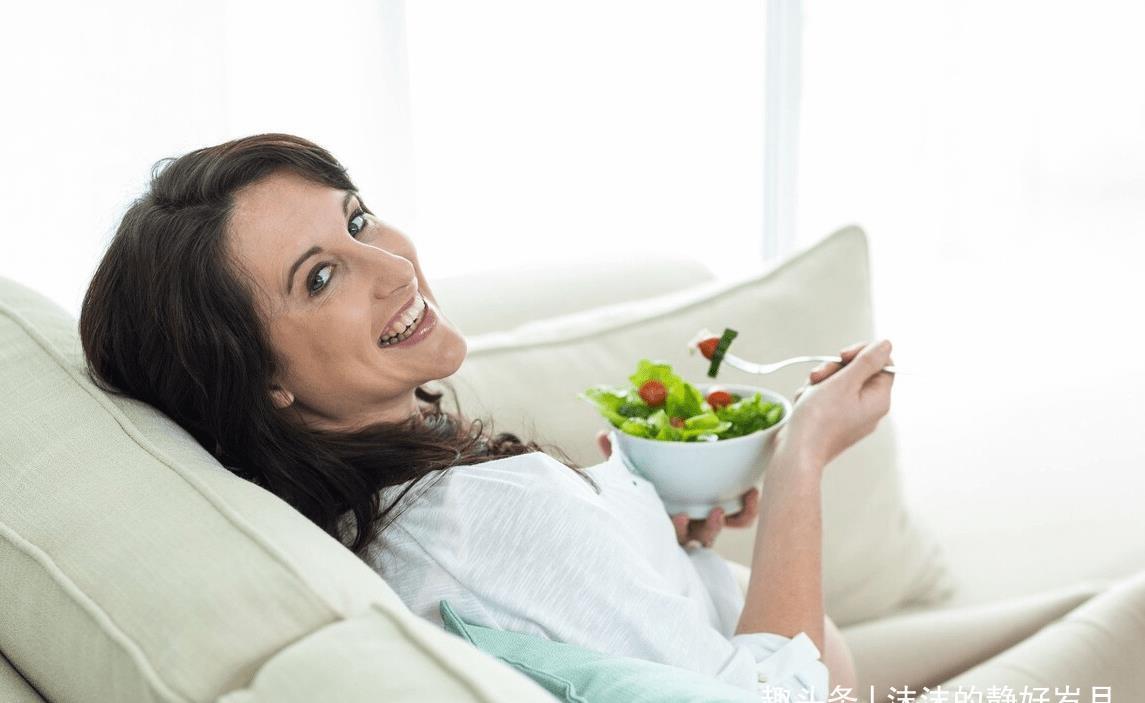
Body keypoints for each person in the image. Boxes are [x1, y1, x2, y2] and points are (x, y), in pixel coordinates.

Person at [80, 133, 891, 700]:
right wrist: (802, 459)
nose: (393, 265)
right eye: (321, 277)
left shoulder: (382, 510)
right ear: (257, 380)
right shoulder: (478, 520)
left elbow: (571, 616)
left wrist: (648, 532)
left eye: (357, 220)